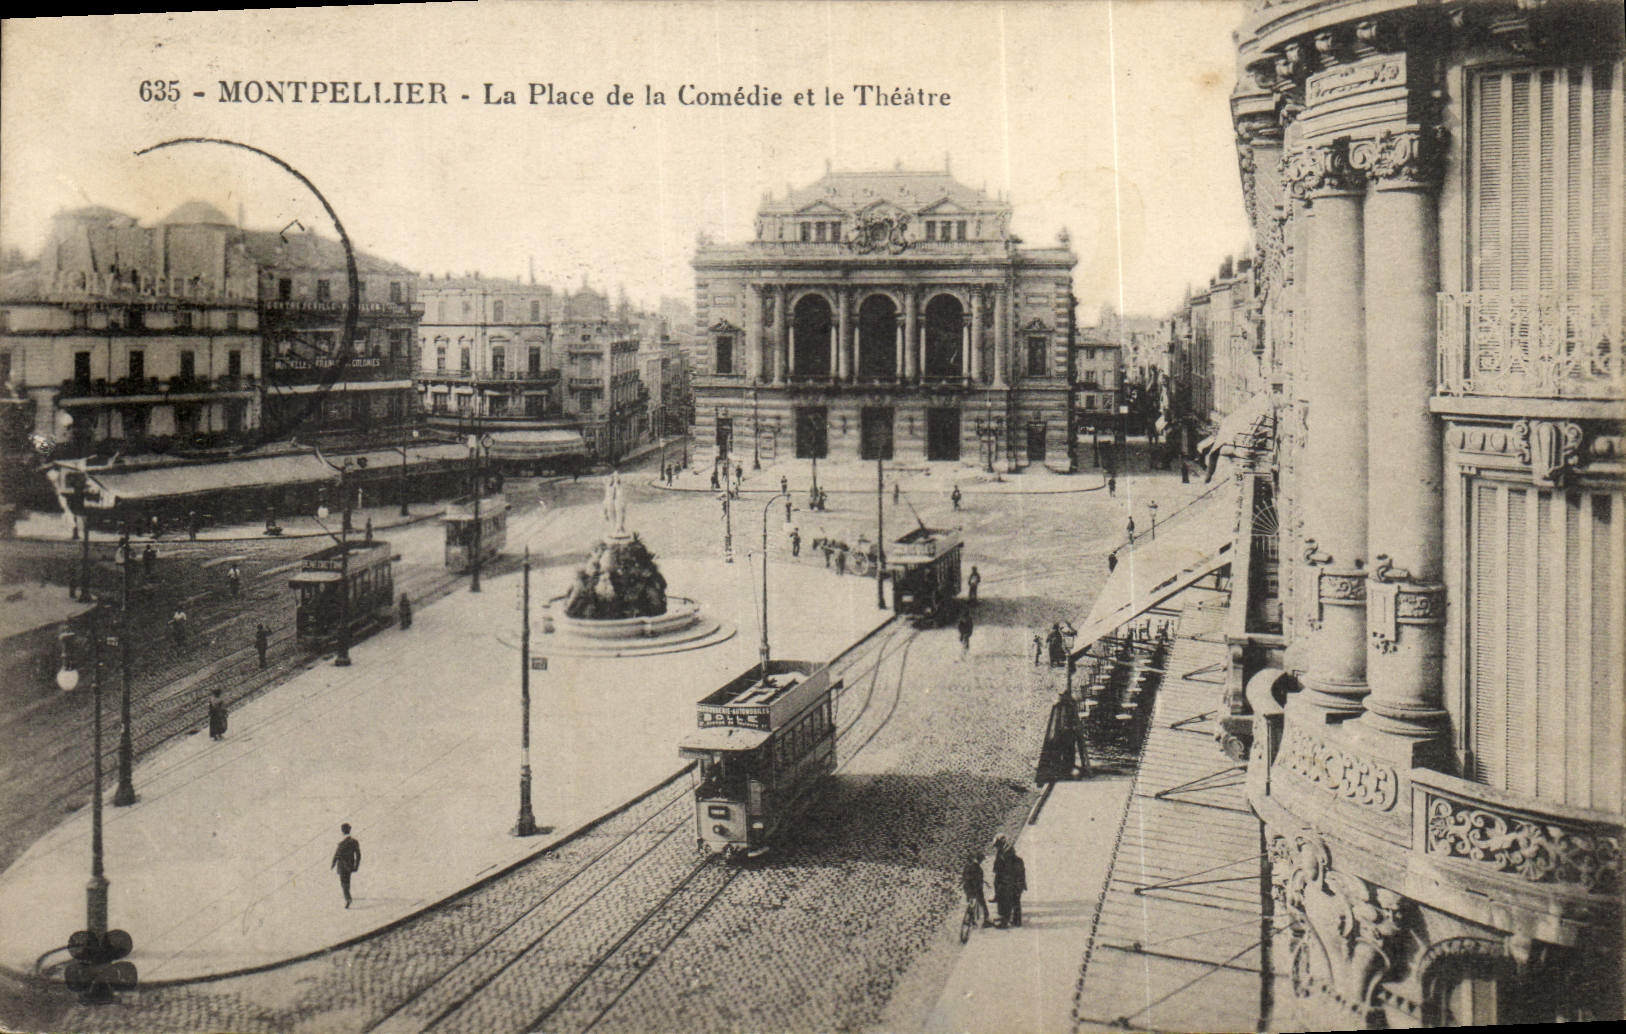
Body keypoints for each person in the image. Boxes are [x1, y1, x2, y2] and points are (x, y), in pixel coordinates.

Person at [993, 839, 1027, 928]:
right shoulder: (1013, 858)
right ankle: (1016, 921)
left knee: (1010, 901)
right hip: (1015, 883)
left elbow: (1009, 872)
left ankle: (1005, 923)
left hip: (1013, 884)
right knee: (1015, 902)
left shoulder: (1010, 859)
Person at [331, 823, 362, 908]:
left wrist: (333, 863)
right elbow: (358, 855)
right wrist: (356, 865)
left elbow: (337, 854)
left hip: (342, 866)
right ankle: (348, 895)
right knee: (347, 880)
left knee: (343, 883)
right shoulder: (354, 842)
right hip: (350, 865)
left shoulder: (341, 843)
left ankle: (348, 898)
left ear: (342, 831)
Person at [960, 850, 991, 929]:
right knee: (982, 904)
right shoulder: (977, 867)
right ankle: (986, 920)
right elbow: (977, 879)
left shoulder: (967, 866)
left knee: (971, 902)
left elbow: (965, 877)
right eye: (981, 859)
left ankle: (972, 919)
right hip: (975, 888)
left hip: (967, 887)